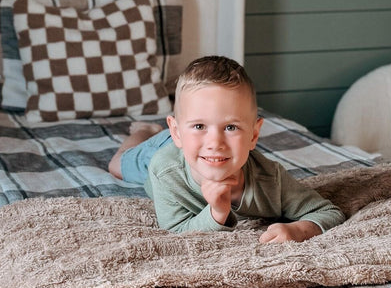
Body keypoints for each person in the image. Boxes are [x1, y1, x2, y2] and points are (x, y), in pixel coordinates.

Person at [108, 55, 345, 243]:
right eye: (200, 125)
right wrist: (217, 212)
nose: (215, 142)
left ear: (253, 134)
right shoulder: (164, 169)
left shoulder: (270, 179)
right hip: (163, 147)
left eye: (231, 127)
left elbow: (327, 212)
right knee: (117, 166)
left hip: (189, 145)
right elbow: (177, 231)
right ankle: (144, 131)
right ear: (177, 131)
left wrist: (299, 230)